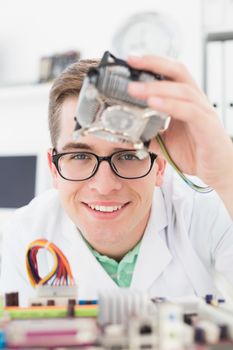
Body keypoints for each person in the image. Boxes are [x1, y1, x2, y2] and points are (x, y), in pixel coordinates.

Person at [0, 55, 232, 307]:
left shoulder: (208, 213)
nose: (104, 186)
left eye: (129, 155)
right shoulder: (23, 237)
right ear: (53, 169)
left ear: (160, 165)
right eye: (79, 155)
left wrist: (226, 175)